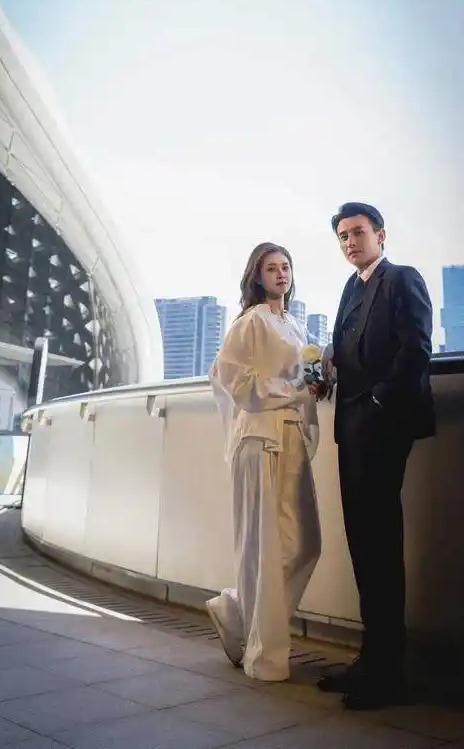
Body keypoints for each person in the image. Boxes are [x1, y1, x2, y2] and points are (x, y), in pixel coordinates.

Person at [319, 203, 435, 710]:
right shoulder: (351, 287)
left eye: (358, 232)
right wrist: (325, 368)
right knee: (363, 545)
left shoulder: (402, 278)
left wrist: (377, 404)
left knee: (382, 547)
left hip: (383, 428)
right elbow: (350, 351)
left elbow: (417, 350)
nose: (350, 242)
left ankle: (389, 675)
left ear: (380, 235)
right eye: (343, 236)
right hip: (351, 431)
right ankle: (370, 660)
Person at [207, 242, 322, 682]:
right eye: (271, 268)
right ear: (257, 276)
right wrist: (293, 391)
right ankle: (264, 655)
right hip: (259, 438)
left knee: (305, 543)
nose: (281, 274)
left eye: (285, 266)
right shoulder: (250, 322)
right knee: (264, 547)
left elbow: (304, 383)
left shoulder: (295, 325)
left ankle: (236, 612)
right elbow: (231, 378)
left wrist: (316, 384)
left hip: (291, 436)